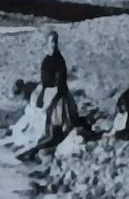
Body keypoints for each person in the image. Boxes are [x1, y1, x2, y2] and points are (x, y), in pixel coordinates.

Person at [9, 30, 79, 160]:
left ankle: (38, 149)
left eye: (55, 41)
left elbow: (60, 84)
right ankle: (33, 147)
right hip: (47, 93)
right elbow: (44, 80)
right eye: (51, 41)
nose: (53, 44)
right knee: (42, 126)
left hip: (58, 96)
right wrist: (41, 95)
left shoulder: (59, 60)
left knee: (53, 132)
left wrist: (51, 100)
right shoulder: (46, 59)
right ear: (46, 43)